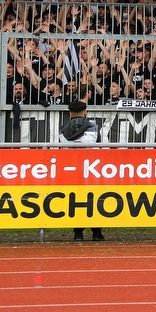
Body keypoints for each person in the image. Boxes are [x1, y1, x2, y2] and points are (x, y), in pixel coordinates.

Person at [59, 99, 104, 242]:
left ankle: (78, 233)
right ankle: (97, 232)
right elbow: (99, 148)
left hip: (72, 169)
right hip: (91, 169)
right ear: (85, 112)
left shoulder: (63, 130)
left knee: (76, 201)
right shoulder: (94, 127)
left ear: (70, 113)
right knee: (94, 200)